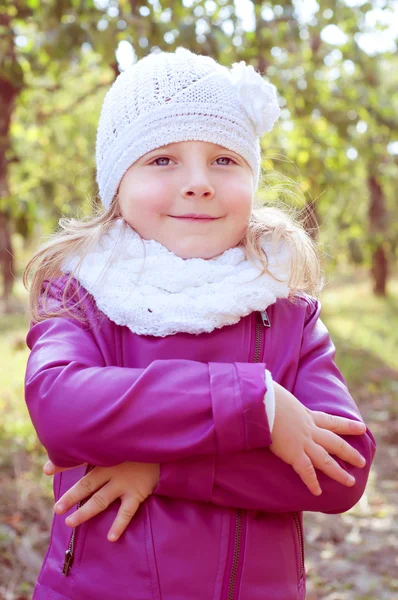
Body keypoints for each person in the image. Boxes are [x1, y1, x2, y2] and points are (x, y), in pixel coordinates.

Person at [24, 47, 375, 600]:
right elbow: (61, 407)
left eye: (224, 159)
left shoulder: (285, 309)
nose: (198, 183)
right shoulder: (81, 290)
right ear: (117, 181)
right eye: (162, 160)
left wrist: (163, 470)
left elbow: (338, 473)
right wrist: (255, 404)